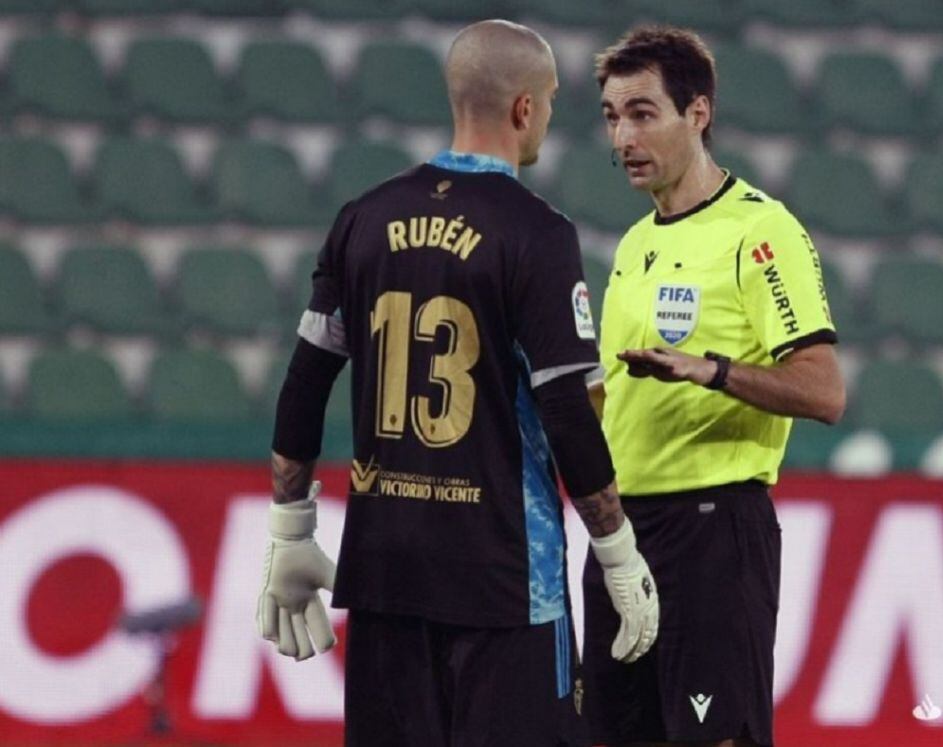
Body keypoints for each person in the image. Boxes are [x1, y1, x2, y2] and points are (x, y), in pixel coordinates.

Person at [255, 19, 660, 747]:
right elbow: (567, 408)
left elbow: (305, 380)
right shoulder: (536, 233)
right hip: (503, 583)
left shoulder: (362, 219)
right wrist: (617, 549)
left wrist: (290, 530)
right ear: (524, 108)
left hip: (385, 576)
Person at [582, 26, 846, 747]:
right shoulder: (636, 244)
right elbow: (607, 398)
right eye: (611, 115)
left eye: (643, 113)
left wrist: (716, 370)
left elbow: (825, 390)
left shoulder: (762, 233)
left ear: (697, 113)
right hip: (620, 537)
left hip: (712, 531)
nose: (623, 136)